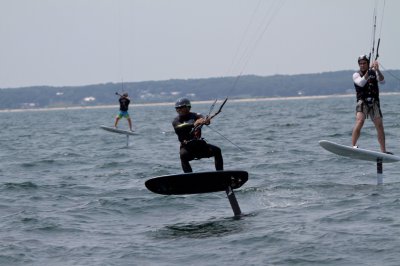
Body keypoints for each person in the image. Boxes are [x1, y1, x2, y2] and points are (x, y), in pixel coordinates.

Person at [172, 97, 224, 173]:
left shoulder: (196, 115)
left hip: (200, 146)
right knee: (182, 155)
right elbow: (179, 127)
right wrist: (193, 124)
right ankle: (189, 177)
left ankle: (220, 174)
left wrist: (206, 121)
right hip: (187, 148)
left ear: (188, 107)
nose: (179, 109)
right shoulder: (176, 121)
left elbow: (203, 118)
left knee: (217, 150)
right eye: (177, 108)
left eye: (182, 107)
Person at [351, 54, 390, 153]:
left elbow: (382, 81)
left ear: (368, 63)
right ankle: (354, 146)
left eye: (364, 63)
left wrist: (377, 70)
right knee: (360, 121)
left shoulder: (373, 72)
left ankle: (383, 151)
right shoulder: (356, 75)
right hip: (362, 102)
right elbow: (361, 83)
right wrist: (368, 73)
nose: (362, 65)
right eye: (361, 64)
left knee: (379, 125)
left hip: (374, 102)